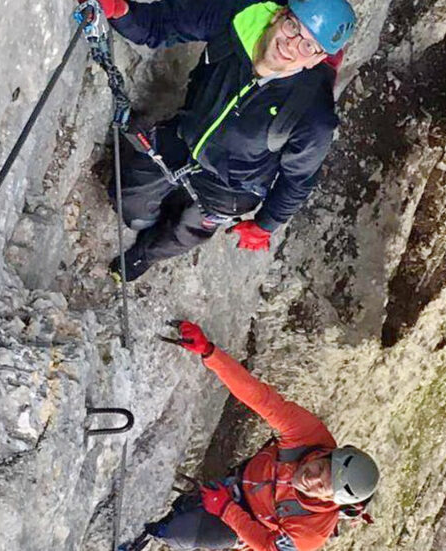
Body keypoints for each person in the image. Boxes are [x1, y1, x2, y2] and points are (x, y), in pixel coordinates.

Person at [95, 0, 357, 280]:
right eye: (292, 26)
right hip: (186, 137)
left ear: (317, 59)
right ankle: (144, 219)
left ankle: (143, 256)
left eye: (308, 46)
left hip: (231, 186)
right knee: (130, 207)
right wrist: (119, 11)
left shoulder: (312, 114)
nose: (291, 44)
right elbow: (162, 24)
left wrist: (265, 224)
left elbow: (298, 180)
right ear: (280, 15)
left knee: (183, 233)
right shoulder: (240, 17)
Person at [121, 320, 379, 550]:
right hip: (241, 480)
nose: (311, 477)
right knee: (187, 509)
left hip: (249, 520)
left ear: (330, 501)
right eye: (321, 467)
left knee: (188, 534)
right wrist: (209, 353)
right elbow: (259, 397)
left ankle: (152, 537)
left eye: (322, 486)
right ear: (326, 453)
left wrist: (226, 510)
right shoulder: (308, 434)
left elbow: (269, 547)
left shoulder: (311, 531)